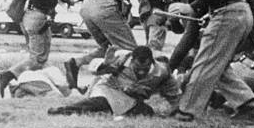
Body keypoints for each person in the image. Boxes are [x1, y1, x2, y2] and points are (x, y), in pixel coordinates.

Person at [0, 0, 63, 97]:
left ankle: (29, 89)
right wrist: (54, 4)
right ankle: (9, 75)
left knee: (41, 59)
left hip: (29, 16)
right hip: (38, 17)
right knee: (37, 59)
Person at [48, 46, 179, 116]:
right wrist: (106, 65)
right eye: (137, 68)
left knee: (147, 112)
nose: (141, 72)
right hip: (108, 89)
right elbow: (94, 69)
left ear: (151, 62)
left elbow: (173, 93)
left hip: (130, 99)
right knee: (100, 102)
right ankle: (63, 110)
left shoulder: (162, 71)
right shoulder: (121, 57)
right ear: (132, 60)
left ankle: (107, 112)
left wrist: (177, 109)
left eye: (145, 69)